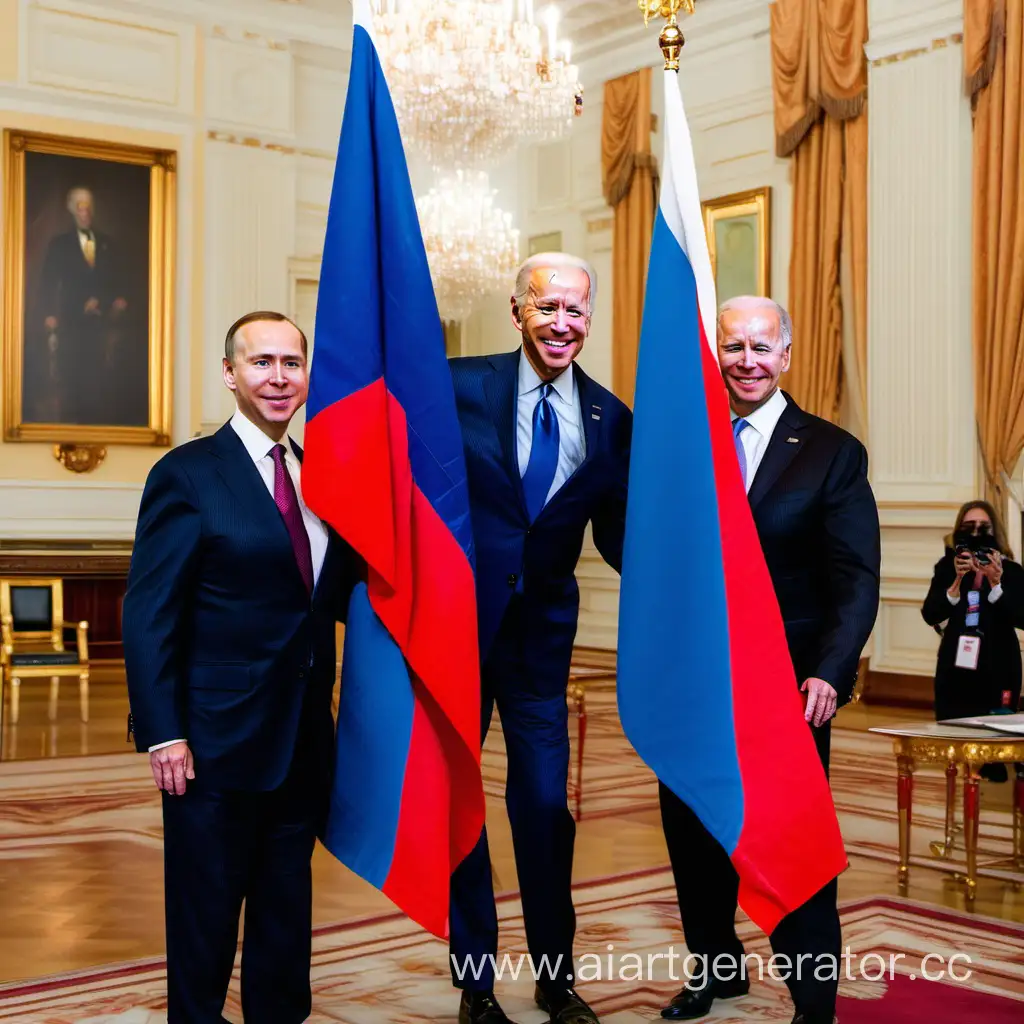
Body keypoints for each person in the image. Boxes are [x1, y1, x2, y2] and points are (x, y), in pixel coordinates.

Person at [122, 311, 355, 1024]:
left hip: (302, 737)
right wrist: (164, 732)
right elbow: (149, 610)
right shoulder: (188, 474)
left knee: (286, 913)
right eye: (262, 363)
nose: (279, 377)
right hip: (211, 744)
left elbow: (331, 598)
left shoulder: (322, 479)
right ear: (231, 373)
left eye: (292, 363)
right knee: (206, 917)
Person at [658, 296, 881, 1024]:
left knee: (795, 844)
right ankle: (714, 966)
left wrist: (830, 669)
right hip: (695, 685)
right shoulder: (685, 446)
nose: (747, 361)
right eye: (733, 347)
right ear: (715, 355)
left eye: (761, 347)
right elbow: (641, 540)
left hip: (788, 691)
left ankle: (814, 999)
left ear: (786, 356)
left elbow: (855, 577)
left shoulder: (830, 451)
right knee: (693, 837)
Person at [447, 253, 632, 1024]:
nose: (563, 324)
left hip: (541, 646)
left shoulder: (612, 419)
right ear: (517, 309)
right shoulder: (455, 384)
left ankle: (555, 979)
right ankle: (476, 983)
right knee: (460, 808)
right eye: (548, 307)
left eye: (577, 311)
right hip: (453, 632)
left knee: (544, 808)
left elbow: (624, 539)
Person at [921, 500, 1024, 779]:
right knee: (957, 747)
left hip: (999, 670)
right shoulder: (947, 568)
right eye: (970, 527)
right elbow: (930, 614)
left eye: (983, 527)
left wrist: (996, 585)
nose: (977, 532)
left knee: (993, 755)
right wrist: (954, 585)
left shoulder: (1012, 571)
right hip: (956, 671)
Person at [37, 187, 129, 424]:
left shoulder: (108, 244)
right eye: (80, 208)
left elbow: (117, 282)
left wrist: (107, 302)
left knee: (98, 377)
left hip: (101, 323)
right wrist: (51, 314)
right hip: (71, 322)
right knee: (71, 375)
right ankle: (72, 422)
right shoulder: (59, 245)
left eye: (88, 208)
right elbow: (48, 283)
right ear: (72, 212)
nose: (85, 213)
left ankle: (95, 422)